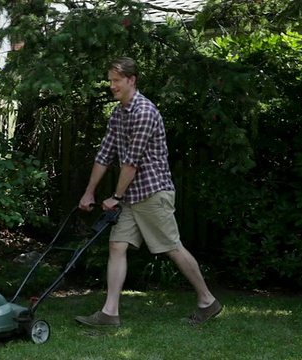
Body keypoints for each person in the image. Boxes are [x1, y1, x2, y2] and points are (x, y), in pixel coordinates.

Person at [74, 57, 222, 326]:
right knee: (117, 245)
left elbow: (131, 163)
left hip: (153, 192)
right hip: (132, 196)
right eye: (110, 81)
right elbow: (104, 155)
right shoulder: (119, 114)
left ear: (132, 80)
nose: (112, 86)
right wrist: (89, 192)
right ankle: (109, 313)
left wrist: (115, 197)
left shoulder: (144, 112)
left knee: (172, 248)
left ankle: (207, 301)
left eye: (116, 81)